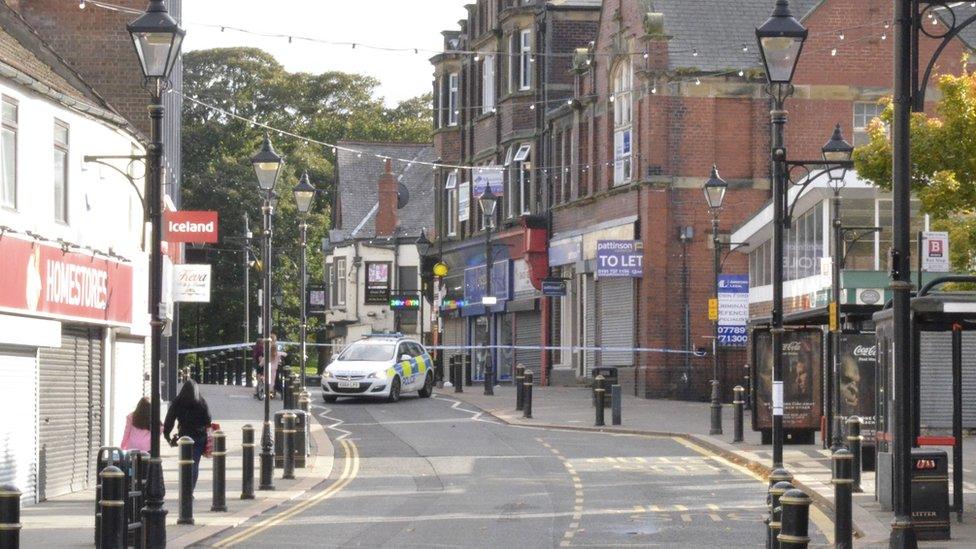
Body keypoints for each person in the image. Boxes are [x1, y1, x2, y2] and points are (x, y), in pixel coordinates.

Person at [163, 379, 212, 489]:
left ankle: (185, 488)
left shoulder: (178, 401)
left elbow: (169, 419)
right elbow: (208, 419)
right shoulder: (201, 401)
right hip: (199, 436)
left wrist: (167, 435)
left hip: (185, 436)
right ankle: (190, 490)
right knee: (195, 463)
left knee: (185, 462)